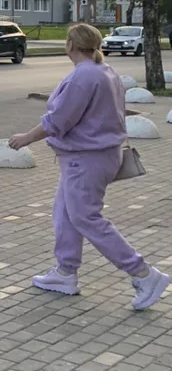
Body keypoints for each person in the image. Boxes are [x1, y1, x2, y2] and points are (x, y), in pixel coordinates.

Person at [9, 23, 170, 310]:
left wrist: (26, 138)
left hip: (86, 158)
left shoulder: (83, 77)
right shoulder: (104, 71)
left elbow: (59, 120)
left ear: (71, 45)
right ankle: (65, 272)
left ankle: (144, 274)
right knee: (65, 213)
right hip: (98, 155)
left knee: (86, 218)